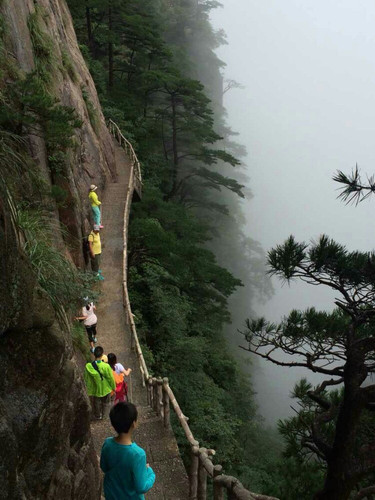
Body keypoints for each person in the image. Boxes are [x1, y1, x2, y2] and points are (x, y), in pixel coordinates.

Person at [100, 402, 155, 500]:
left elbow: (104, 467)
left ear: (113, 424)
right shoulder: (138, 454)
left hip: (111, 494)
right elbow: (141, 487)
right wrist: (150, 473)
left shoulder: (107, 443)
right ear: (134, 423)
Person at [84, 346, 115, 420]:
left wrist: (89, 388)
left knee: (96, 402)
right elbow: (111, 378)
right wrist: (113, 387)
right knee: (106, 402)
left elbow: (86, 378)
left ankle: (98, 415)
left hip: (96, 388)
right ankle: (105, 416)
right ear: (102, 355)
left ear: (94, 354)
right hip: (106, 387)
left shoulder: (88, 366)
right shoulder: (106, 366)